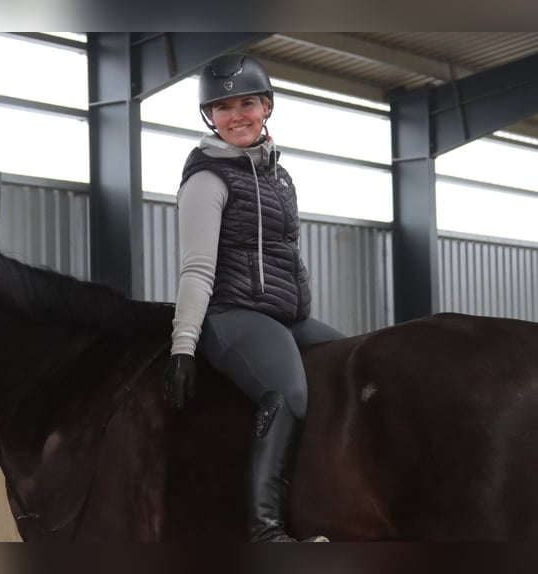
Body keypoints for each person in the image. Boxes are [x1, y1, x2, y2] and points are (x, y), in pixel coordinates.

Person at [163, 53, 346, 543]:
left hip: (286, 315)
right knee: (288, 392)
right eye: (223, 107)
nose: (236, 115)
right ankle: (266, 532)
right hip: (232, 316)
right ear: (210, 118)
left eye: (247, 102)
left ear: (266, 106)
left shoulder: (278, 176)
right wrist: (184, 347)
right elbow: (196, 268)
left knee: (352, 360)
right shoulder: (206, 179)